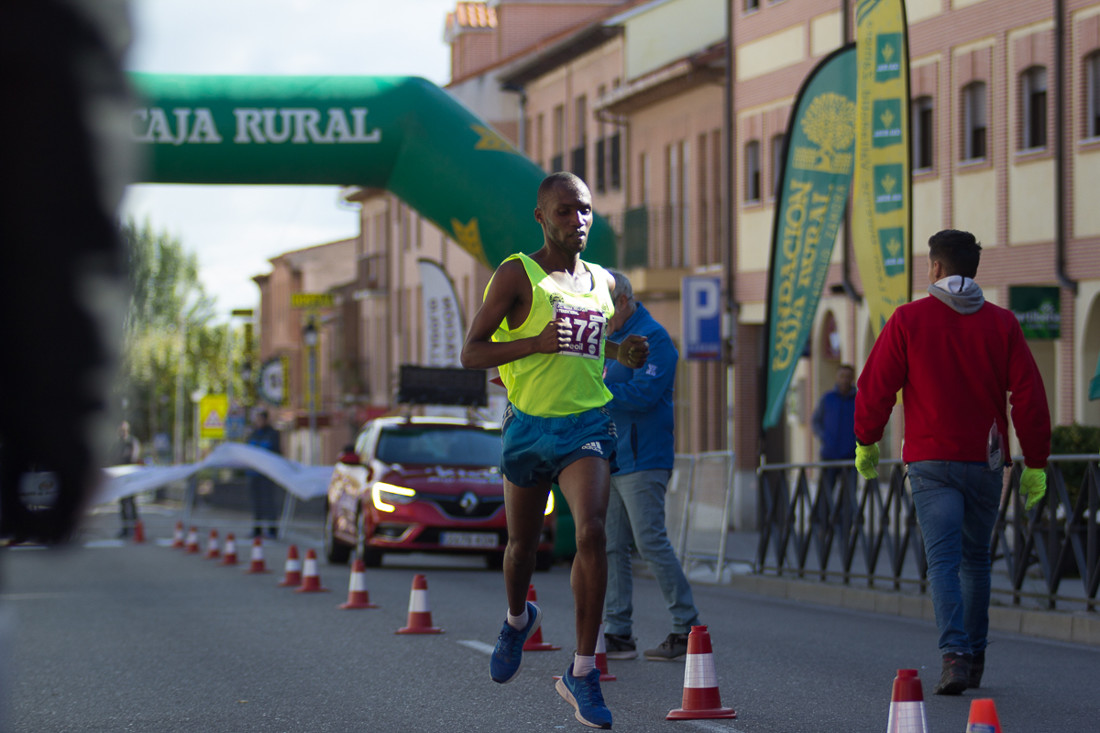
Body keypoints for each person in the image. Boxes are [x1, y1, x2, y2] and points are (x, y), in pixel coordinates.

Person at [461, 171, 648, 730]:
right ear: (541, 217)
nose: (578, 220)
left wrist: (622, 350)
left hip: (586, 424)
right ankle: (518, 619)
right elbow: (472, 353)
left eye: (586, 210)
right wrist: (533, 343)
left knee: (590, 531)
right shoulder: (517, 274)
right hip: (527, 426)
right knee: (521, 547)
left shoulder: (603, 283)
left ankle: (583, 671)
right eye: (565, 211)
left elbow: (582, 347)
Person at [854, 229, 1050, 696]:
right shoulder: (1003, 324)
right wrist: (1036, 461)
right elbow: (1030, 396)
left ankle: (954, 656)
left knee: (942, 562)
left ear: (936, 268)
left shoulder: (907, 320)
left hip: (929, 460)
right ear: (973, 270)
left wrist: (867, 441)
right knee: (976, 561)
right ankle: (975, 654)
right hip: (985, 461)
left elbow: (876, 386)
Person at [600, 270, 701, 663]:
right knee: (612, 547)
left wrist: (595, 392)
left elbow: (644, 393)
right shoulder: (608, 338)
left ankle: (686, 627)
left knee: (650, 542)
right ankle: (618, 632)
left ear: (623, 301)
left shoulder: (654, 338)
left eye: (606, 309)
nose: (602, 316)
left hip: (644, 458)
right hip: (611, 455)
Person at [812, 364, 857, 528]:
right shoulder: (827, 399)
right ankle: (821, 525)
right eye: (842, 376)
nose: (844, 379)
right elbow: (816, 421)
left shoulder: (859, 399)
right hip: (829, 454)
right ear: (837, 378)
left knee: (849, 494)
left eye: (848, 376)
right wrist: (824, 437)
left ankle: (845, 526)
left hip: (851, 455)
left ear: (852, 378)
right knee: (825, 491)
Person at [245, 408, 281, 539]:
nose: (258, 422)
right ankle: (257, 529)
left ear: (265, 420)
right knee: (256, 503)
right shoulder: (253, 434)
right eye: (257, 419)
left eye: (260, 419)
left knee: (268, 502)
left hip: (267, 474)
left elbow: (276, 452)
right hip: (254, 474)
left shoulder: (272, 434)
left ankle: (272, 529)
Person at [115, 421, 141, 538]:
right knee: (122, 503)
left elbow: (134, 457)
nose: (122, 432)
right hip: (121, 477)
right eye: (120, 430)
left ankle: (136, 528)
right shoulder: (117, 444)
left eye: (124, 430)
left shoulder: (132, 442)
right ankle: (125, 528)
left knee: (132, 502)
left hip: (131, 477)